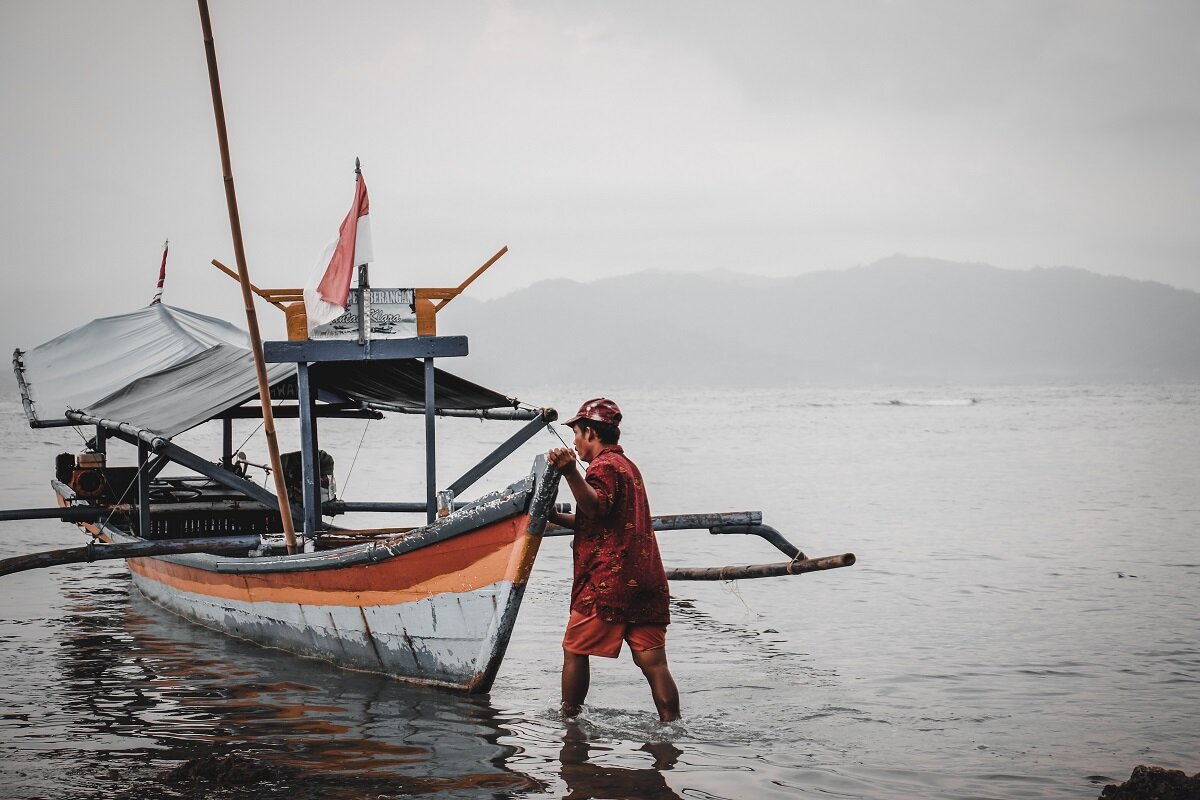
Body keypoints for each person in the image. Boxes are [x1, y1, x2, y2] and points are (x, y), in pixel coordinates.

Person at [547, 397, 681, 723]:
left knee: (574, 650)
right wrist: (551, 515)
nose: (575, 442)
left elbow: (594, 508)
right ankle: (672, 729)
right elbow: (602, 517)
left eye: (577, 433)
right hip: (646, 582)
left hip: (608, 585)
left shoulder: (603, 466)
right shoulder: (628, 466)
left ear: (591, 432)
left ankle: (570, 723)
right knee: (655, 664)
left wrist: (568, 473)